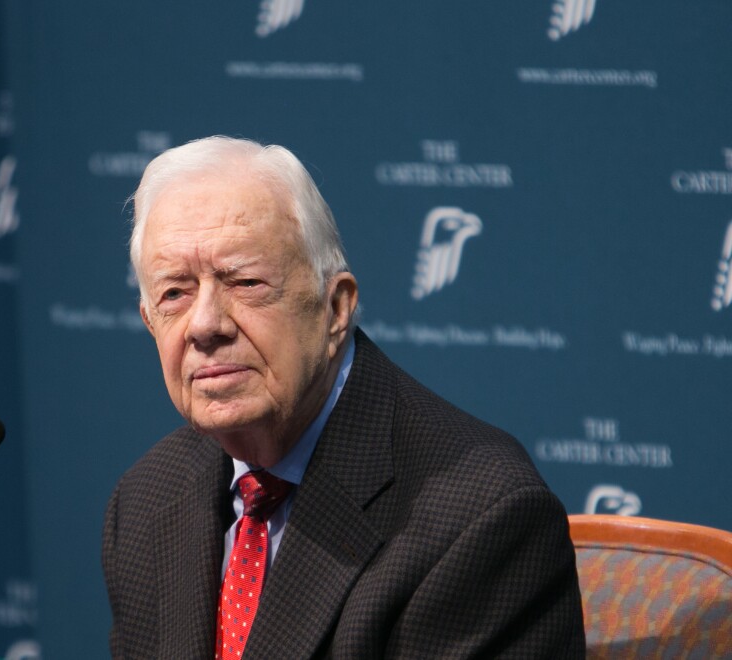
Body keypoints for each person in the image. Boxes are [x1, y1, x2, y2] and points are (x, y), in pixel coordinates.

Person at [102, 136, 585, 659]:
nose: (205, 325)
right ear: (150, 323)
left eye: (244, 282)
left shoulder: (479, 518)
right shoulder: (146, 501)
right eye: (175, 293)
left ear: (336, 309)